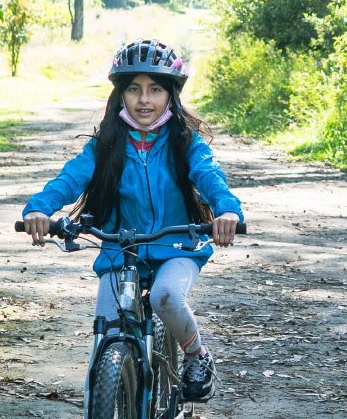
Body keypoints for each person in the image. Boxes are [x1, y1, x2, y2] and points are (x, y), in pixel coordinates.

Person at [21, 39, 242, 402]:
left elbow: (210, 176)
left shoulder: (185, 142)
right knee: (106, 333)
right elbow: (71, 178)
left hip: (177, 246)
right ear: (120, 95)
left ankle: (196, 355)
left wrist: (227, 210)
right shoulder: (106, 143)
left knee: (166, 296)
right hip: (119, 250)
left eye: (155, 89)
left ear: (171, 95)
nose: (144, 100)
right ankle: (106, 398)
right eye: (133, 89)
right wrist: (40, 208)